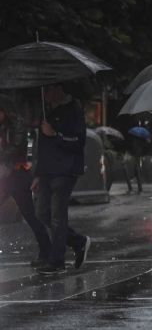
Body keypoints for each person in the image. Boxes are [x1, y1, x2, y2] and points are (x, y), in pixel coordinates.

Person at [31, 85, 91, 275]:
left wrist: (55, 134)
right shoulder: (46, 110)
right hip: (47, 171)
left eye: (47, 91)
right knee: (42, 213)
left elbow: (79, 140)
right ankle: (78, 241)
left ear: (57, 89)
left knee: (58, 216)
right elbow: (42, 147)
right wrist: (38, 175)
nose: (45, 96)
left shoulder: (73, 108)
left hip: (64, 171)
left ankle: (56, 261)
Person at [0, 104, 49, 266]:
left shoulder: (17, 125)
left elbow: (15, 148)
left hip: (17, 175)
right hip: (4, 175)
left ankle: (46, 251)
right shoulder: (4, 126)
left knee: (30, 215)